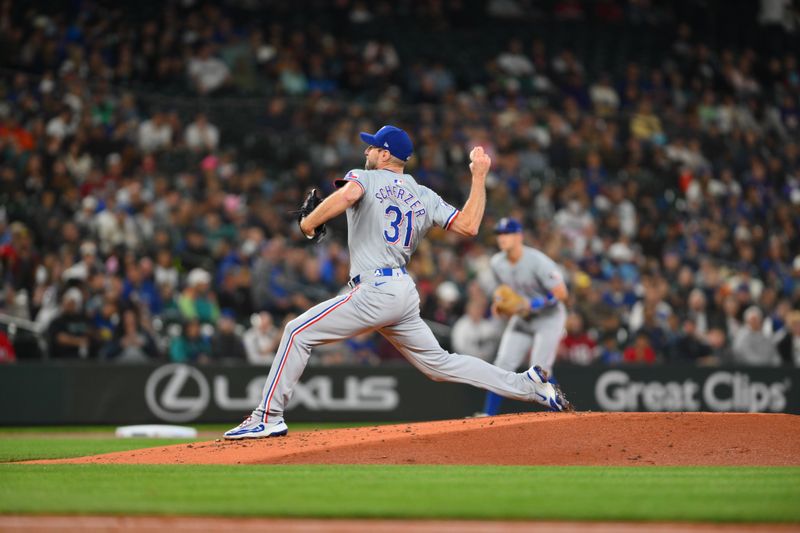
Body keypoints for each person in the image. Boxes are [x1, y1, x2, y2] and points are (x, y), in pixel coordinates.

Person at [225, 125, 570, 439]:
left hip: (375, 289)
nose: (367, 152)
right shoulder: (423, 194)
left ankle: (267, 416)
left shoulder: (364, 177)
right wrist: (478, 177)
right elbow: (469, 226)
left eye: (373, 148)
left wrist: (308, 224)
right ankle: (529, 386)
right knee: (440, 363)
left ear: (385, 153)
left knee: (296, 332)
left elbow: (346, 196)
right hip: (403, 292)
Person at [477, 217, 569, 417]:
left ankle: (563, 411)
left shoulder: (537, 261)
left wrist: (534, 304)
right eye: (499, 234)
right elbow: (507, 291)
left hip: (549, 317)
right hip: (523, 318)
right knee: (502, 366)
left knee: (540, 371)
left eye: (507, 233)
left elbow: (562, 293)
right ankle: (488, 415)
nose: (502, 238)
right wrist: (499, 303)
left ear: (519, 236)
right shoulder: (497, 263)